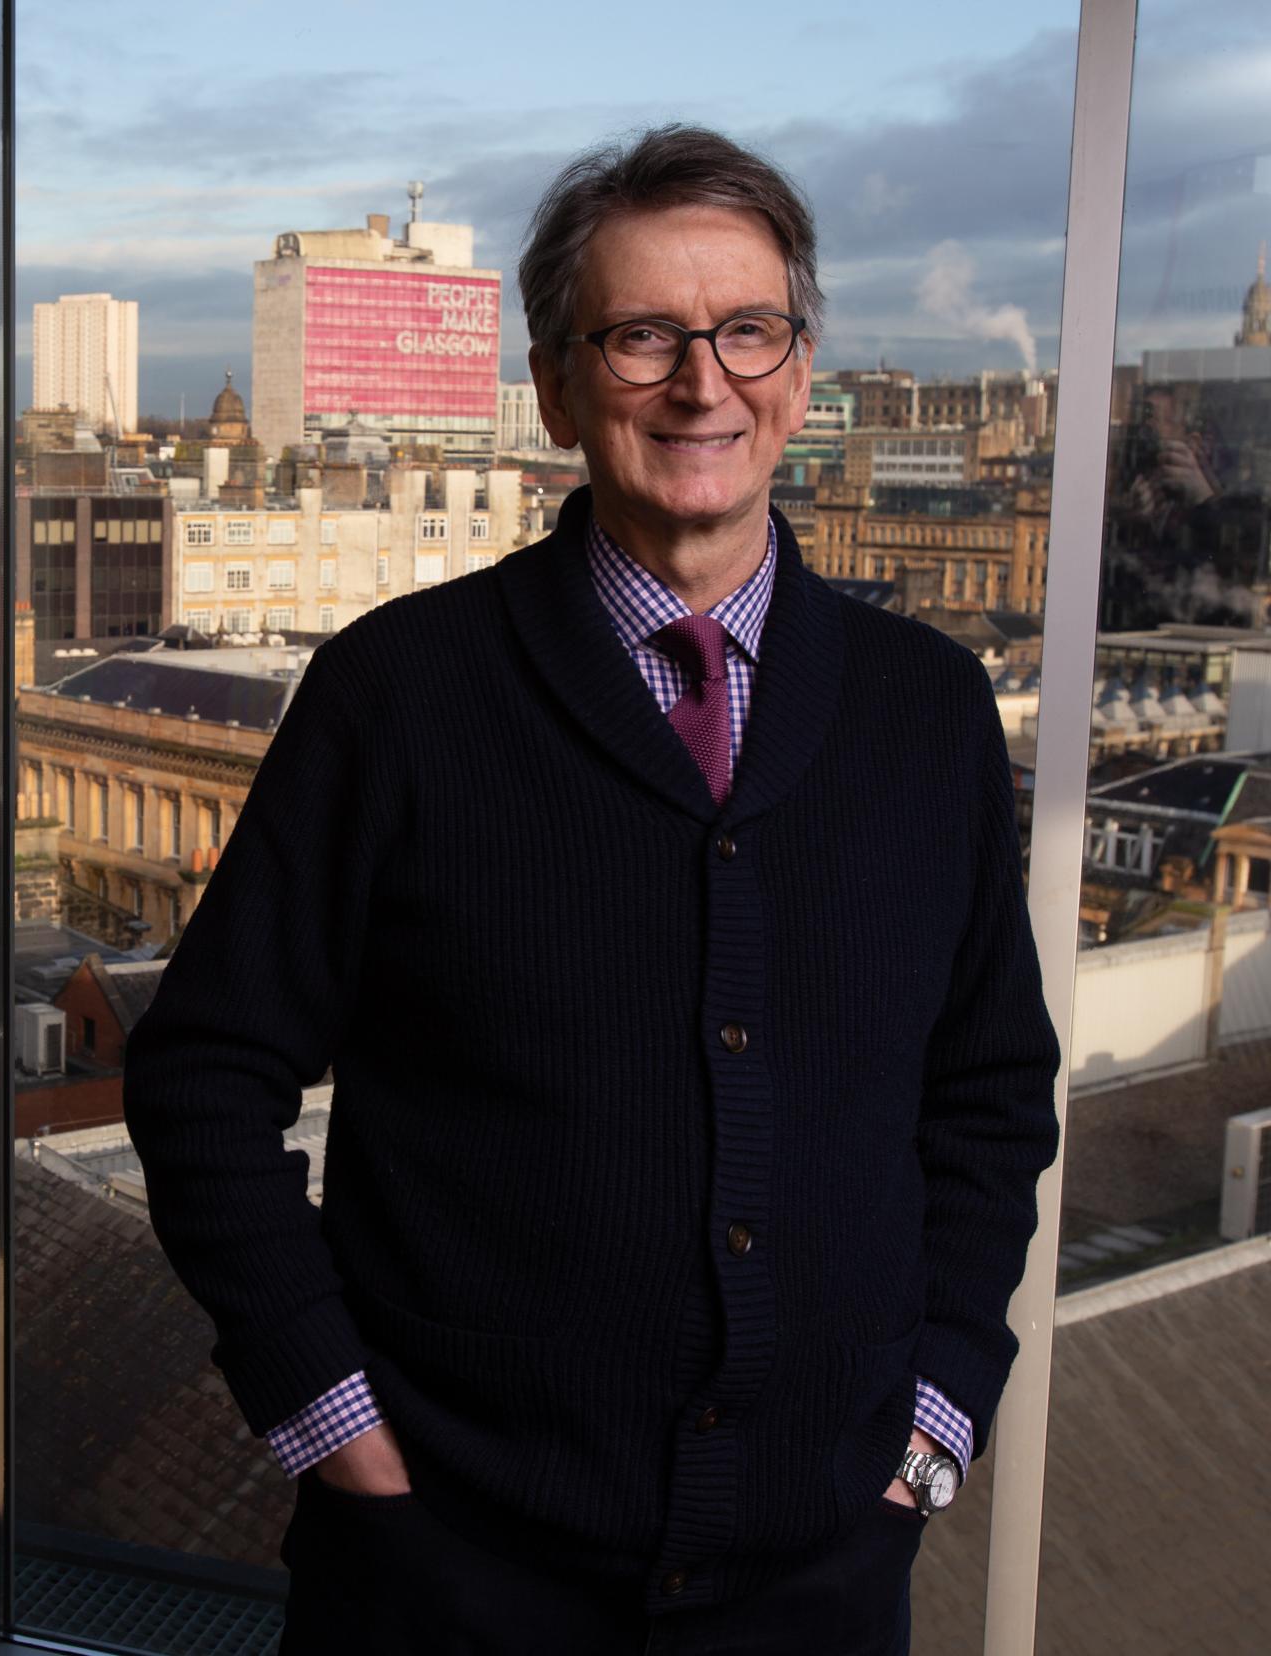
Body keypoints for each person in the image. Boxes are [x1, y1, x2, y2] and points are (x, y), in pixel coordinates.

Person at [119, 124, 1062, 1655]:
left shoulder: (925, 709)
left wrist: (936, 1417)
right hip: (449, 1582)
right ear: (556, 387)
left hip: (818, 1583)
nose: (705, 384)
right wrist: (327, 1416)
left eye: (748, 330)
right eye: (643, 337)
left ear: (802, 372)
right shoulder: (400, 697)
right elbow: (205, 1071)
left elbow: (991, 1095)